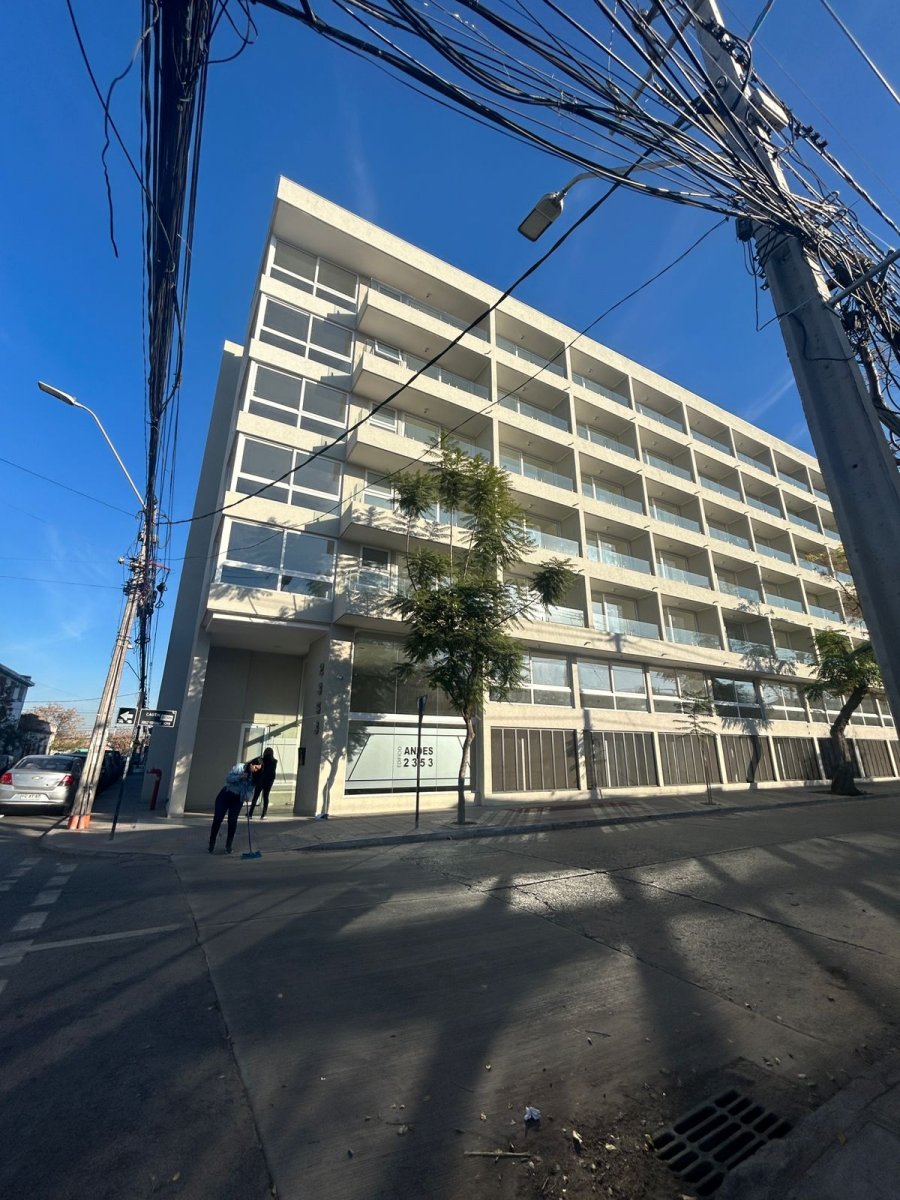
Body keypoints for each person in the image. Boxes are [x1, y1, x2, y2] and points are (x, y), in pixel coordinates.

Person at [208, 758, 261, 854]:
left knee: (232, 821)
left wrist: (247, 796)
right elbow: (228, 778)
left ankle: (229, 845)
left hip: (237, 799)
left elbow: (250, 790)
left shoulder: (255, 777)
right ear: (251, 764)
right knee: (218, 818)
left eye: (258, 769)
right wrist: (240, 777)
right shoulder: (240, 767)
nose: (256, 770)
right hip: (226, 795)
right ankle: (212, 842)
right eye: (255, 767)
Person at [249, 746, 277, 819]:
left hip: (260, 780)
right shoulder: (274, 761)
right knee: (266, 797)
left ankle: (250, 813)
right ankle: (263, 815)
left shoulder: (261, 760)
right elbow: (272, 773)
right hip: (269, 781)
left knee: (255, 796)